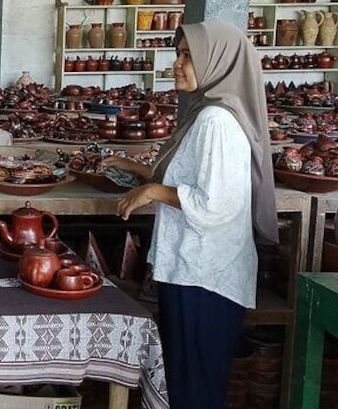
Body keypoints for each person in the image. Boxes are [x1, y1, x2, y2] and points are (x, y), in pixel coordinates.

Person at [102, 20, 277, 409]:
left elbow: (215, 202)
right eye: (178, 53)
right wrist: (141, 169)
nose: (177, 64)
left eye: (188, 56)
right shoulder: (211, 111)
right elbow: (195, 176)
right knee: (188, 379)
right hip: (196, 270)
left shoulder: (217, 121)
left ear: (217, 61)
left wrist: (151, 190)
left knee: (194, 384)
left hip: (205, 276)